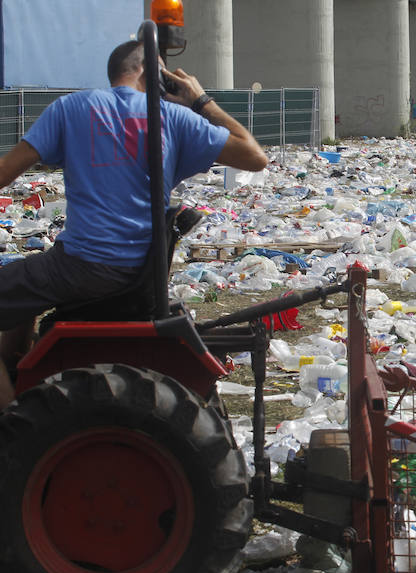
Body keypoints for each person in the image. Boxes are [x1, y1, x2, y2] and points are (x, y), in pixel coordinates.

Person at [0, 40, 268, 407]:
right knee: (24, 284)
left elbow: (5, 171)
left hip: (78, 268)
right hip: (141, 275)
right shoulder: (176, 119)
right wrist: (199, 100)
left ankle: (12, 432)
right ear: (155, 73)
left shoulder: (70, 108)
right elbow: (254, 156)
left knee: (26, 277)